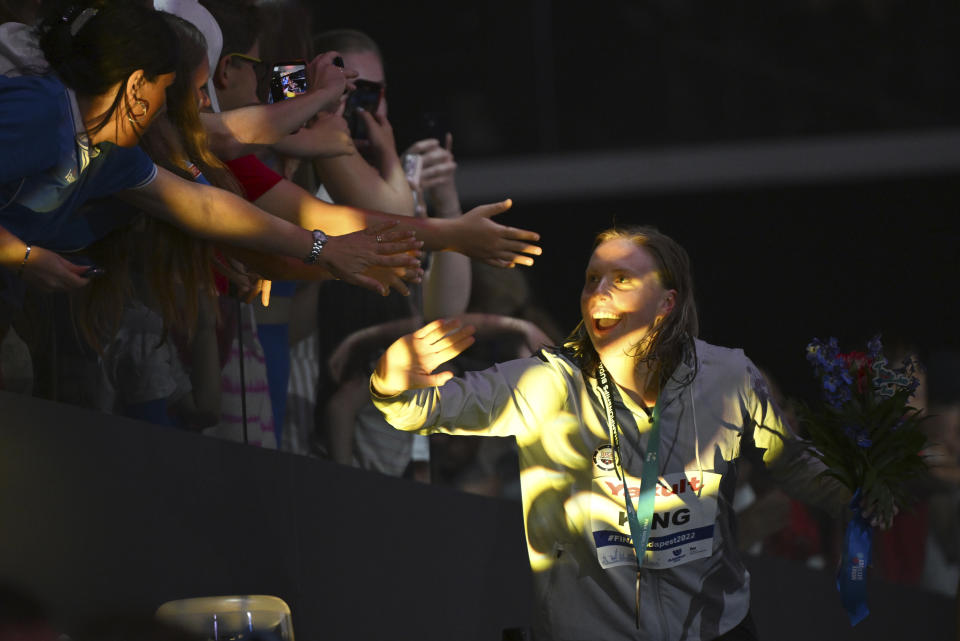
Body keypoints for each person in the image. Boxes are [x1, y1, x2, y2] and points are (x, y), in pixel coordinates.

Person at [370, 226, 848, 641]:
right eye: (591, 279)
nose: (598, 291)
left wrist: (864, 492)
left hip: (716, 630)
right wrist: (391, 381)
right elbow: (416, 410)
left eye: (621, 280)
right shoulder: (548, 385)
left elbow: (797, 466)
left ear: (666, 303)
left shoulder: (729, 377)